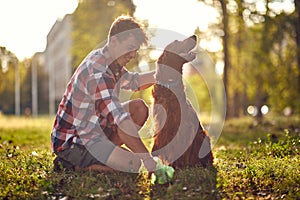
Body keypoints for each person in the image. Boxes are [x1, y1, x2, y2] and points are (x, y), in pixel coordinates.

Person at [51, 15, 157, 173]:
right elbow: (120, 120)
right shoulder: (97, 71)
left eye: (135, 49)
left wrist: (164, 73)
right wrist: (148, 160)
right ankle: (71, 165)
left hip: (94, 133)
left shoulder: (112, 61)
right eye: (130, 47)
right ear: (114, 41)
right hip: (74, 142)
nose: (133, 54)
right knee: (132, 165)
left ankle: (108, 155)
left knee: (139, 108)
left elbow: (133, 82)